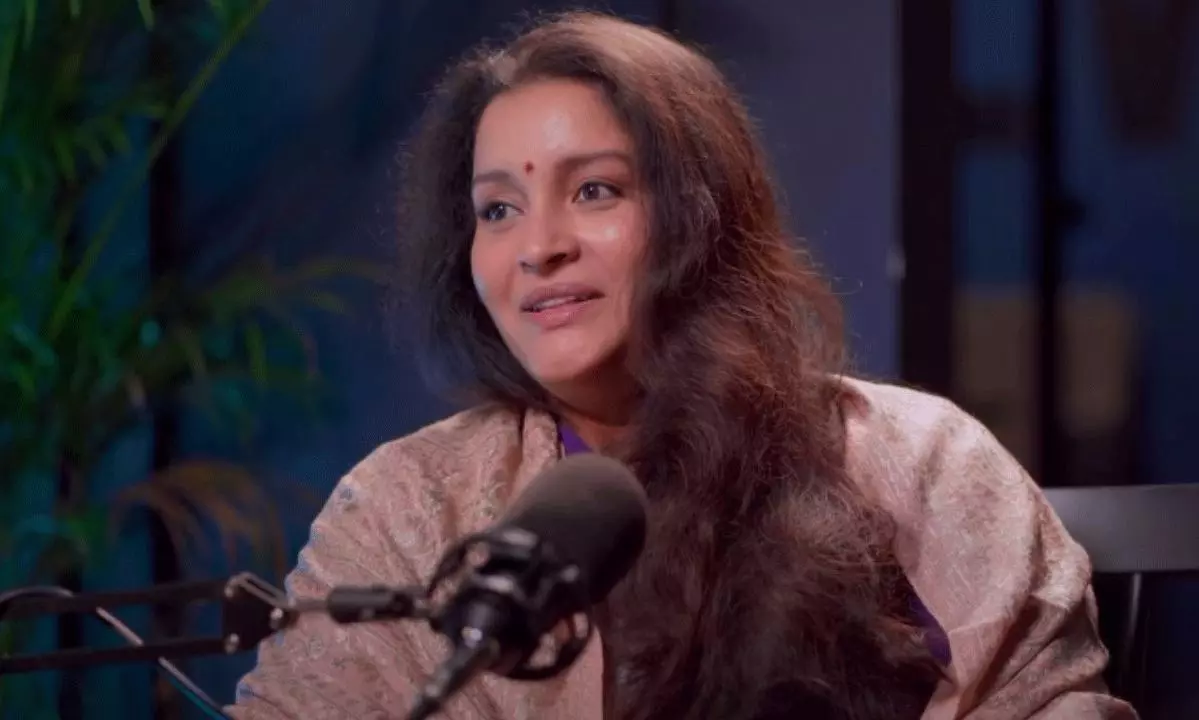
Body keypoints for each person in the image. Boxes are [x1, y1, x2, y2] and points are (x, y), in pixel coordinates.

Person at [228, 11, 1136, 720]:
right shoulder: (403, 506)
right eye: (496, 210)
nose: (537, 247)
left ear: (700, 215)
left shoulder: (924, 461)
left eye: (594, 191)